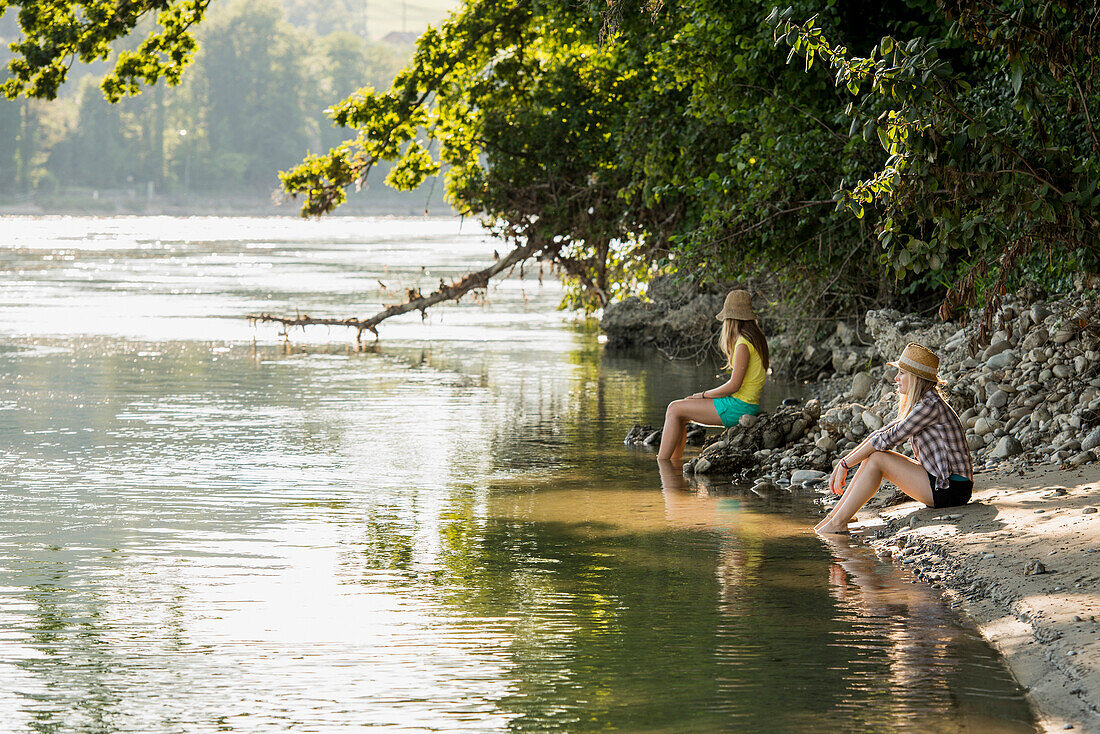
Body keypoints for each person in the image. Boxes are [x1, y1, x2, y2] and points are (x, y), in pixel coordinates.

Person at [815, 342, 973, 535]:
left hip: (951, 489)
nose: (896, 378)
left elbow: (888, 439)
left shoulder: (930, 405)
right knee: (873, 456)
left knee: (878, 458)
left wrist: (845, 465)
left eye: (902, 373)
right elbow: (880, 434)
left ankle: (838, 522)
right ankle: (835, 517)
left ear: (916, 378)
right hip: (943, 482)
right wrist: (843, 462)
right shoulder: (923, 402)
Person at [656, 289, 769, 461]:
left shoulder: (743, 344)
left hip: (739, 406)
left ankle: (662, 465)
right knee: (680, 413)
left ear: (730, 320)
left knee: (674, 408)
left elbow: (734, 385)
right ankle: (673, 467)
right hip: (744, 404)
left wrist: (703, 395)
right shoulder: (755, 340)